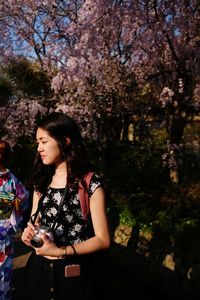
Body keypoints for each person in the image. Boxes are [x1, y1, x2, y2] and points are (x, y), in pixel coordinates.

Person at [21, 112, 110, 300]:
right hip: (38, 271)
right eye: (38, 142)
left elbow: (103, 240)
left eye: (44, 142)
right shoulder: (41, 180)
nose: (39, 148)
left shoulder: (89, 183)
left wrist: (60, 251)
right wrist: (28, 235)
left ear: (65, 141)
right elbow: (34, 222)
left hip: (74, 275)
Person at [0, 139, 29, 300]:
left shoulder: (9, 179)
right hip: (4, 231)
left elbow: (23, 198)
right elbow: (24, 198)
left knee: (2, 275)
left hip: (2, 234)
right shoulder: (11, 179)